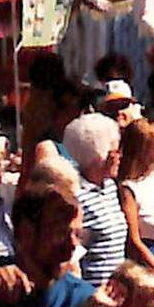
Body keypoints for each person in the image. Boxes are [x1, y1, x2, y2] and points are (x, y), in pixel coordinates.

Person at [63, 113, 127, 287]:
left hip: (117, 292)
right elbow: (72, 256)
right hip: (93, 292)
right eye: (116, 151)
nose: (120, 156)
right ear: (100, 155)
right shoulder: (77, 195)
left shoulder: (110, 188)